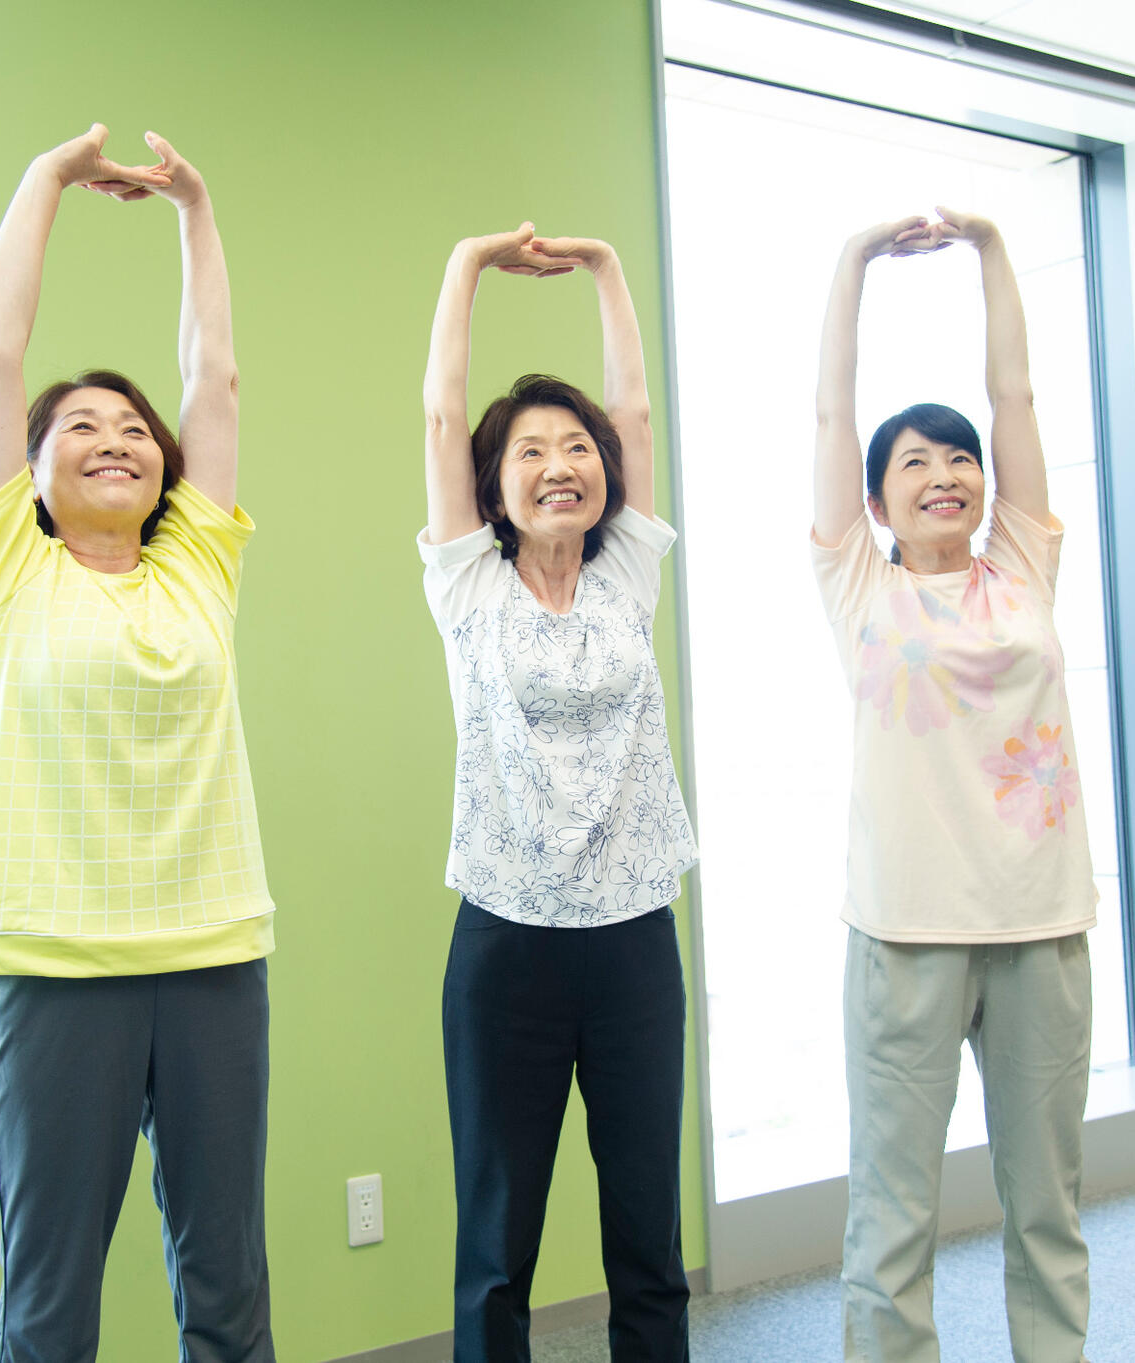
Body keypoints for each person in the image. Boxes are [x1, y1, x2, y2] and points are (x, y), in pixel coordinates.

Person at [0, 123, 276, 1363]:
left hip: (209, 957)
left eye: (132, 426)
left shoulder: (198, 566)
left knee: (227, 1282)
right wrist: (47, 180)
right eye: (80, 426)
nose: (117, 437)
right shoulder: (3, 571)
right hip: (55, 965)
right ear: (28, 476)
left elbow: (217, 381)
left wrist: (194, 205)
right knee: (47, 1305)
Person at [809, 209, 1097, 1363]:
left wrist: (987, 248)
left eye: (956, 456)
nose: (943, 473)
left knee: (1048, 1209)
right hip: (905, 932)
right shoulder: (857, 585)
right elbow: (832, 409)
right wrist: (853, 263)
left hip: (1041, 924)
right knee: (892, 1220)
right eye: (913, 463)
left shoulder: (1023, 564)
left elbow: (1015, 395)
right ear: (874, 504)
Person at [419, 223, 698, 1363]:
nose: (559, 465)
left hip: (633, 941)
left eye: (574, 447)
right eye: (529, 450)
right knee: (497, 1244)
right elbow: (440, 418)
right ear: (493, 481)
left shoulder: (626, 568)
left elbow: (634, 412)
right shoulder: (467, 586)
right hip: (506, 950)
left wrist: (605, 271)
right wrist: (464, 268)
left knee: (645, 1233)